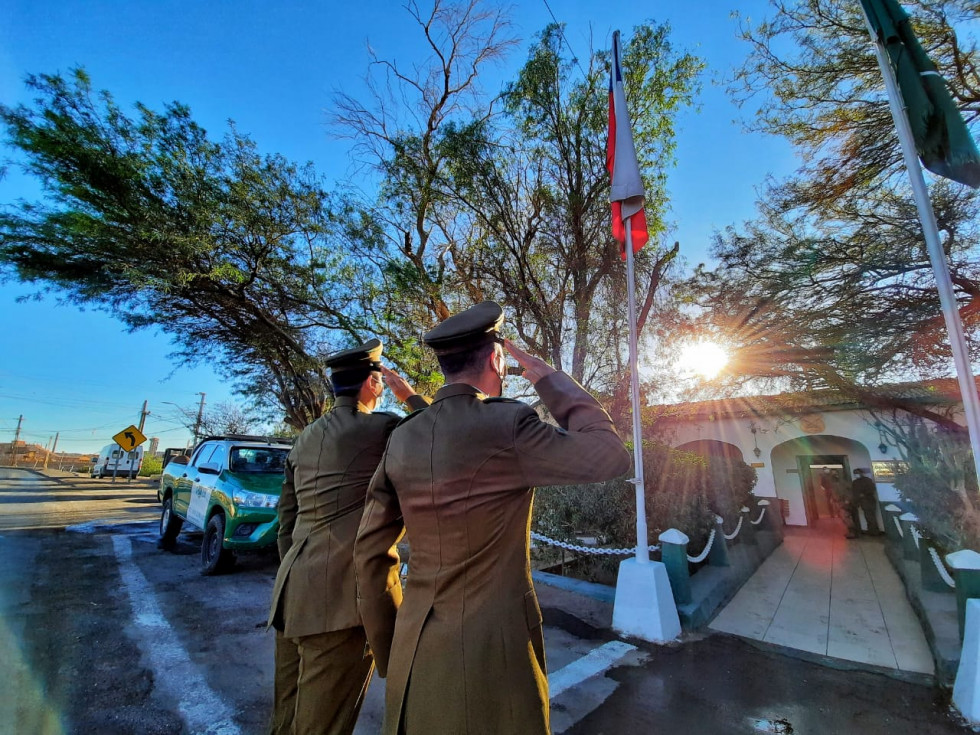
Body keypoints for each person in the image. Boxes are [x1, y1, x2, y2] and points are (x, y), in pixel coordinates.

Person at [353, 301, 632, 735]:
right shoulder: (509, 424)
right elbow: (610, 456)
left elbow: (370, 553)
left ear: (444, 366)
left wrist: (392, 651)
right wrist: (552, 382)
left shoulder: (403, 438)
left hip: (412, 652)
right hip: (489, 661)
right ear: (496, 359)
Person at [268, 339, 429, 735]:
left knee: (286, 716)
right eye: (379, 378)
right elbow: (440, 426)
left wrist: (301, 569)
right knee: (323, 724)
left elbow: (286, 519)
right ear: (373, 382)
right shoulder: (381, 428)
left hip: (292, 594)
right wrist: (408, 395)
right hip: (340, 602)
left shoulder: (306, 437)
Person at [851, 467, 882, 536]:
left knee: (870, 516)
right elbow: (855, 493)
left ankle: (873, 531)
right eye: (855, 473)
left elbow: (871, 489)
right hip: (866, 501)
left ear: (861, 473)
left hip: (867, 500)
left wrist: (862, 496)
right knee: (869, 516)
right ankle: (872, 530)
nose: (856, 475)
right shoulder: (861, 481)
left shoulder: (863, 481)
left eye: (857, 473)